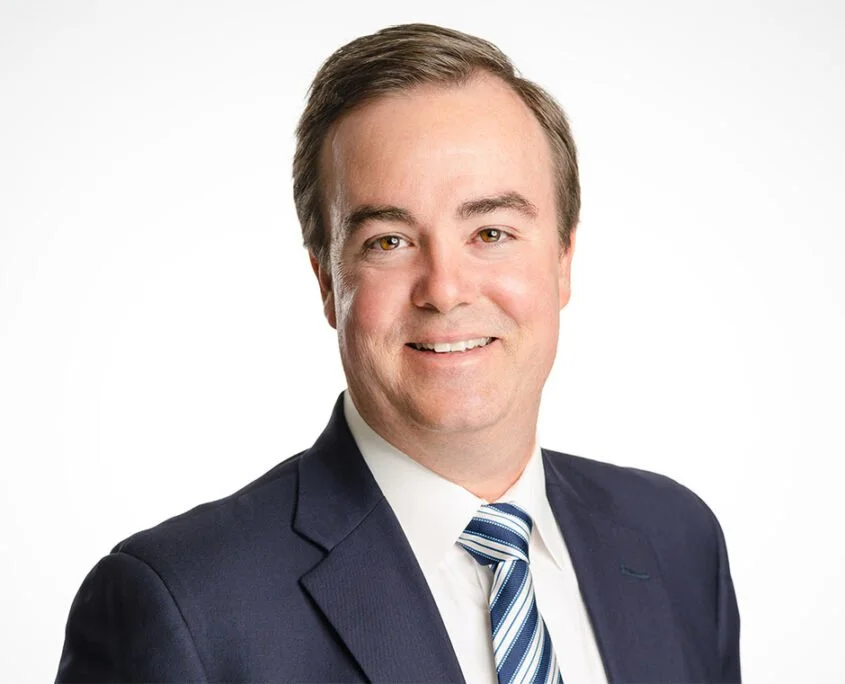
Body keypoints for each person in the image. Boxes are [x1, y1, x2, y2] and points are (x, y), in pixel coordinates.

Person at [56, 23, 740, 683]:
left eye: (492, 232)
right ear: (327, 280)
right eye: (388, 241)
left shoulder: (675, 540)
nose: (444, 289)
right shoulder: (181, 606)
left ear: (562, 258)